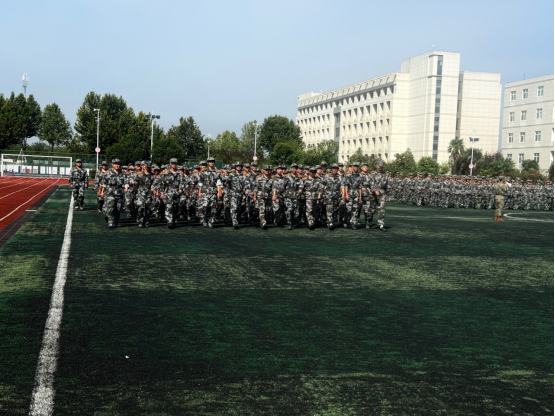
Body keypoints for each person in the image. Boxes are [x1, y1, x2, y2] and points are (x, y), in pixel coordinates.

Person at [99, 159, 125, 228]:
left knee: (118, 209)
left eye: (118, 164)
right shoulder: (108, 174)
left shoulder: (123, 174)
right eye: (115, 164)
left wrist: (126, 188)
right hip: (110, 193)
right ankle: (110, 221)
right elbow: (104, 184)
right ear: (112, 165)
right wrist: (102, 192)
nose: (117, 165)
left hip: (119, 193)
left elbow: (126, 183)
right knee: (110, 208)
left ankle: (115, 222)